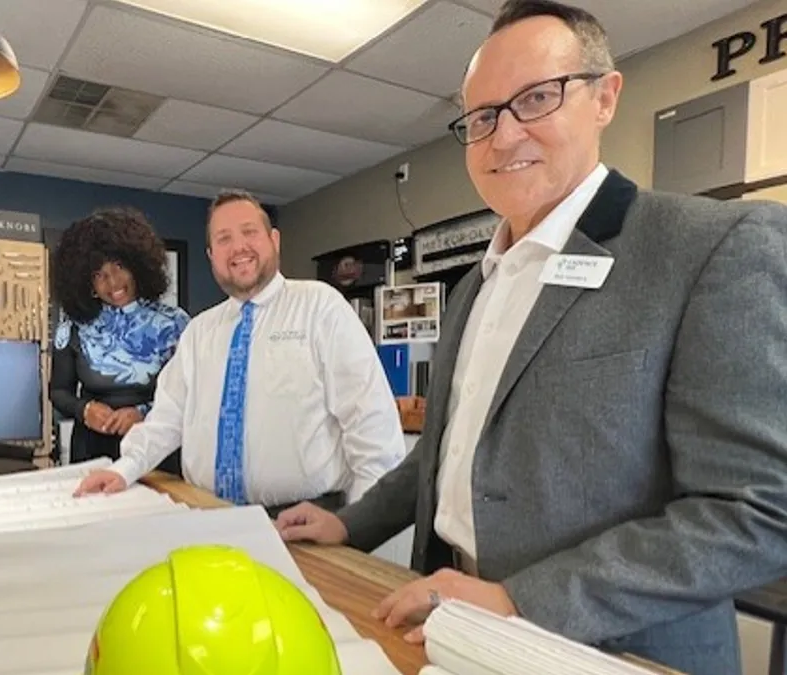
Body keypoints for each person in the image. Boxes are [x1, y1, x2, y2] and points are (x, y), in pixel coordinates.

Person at [274, 2, 787, 672]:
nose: (503, 136)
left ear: (605, 97)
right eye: (482, 117)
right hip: (453, 627)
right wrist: (353, 522)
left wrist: (519, 599)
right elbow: (444, 455)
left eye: (538, 98)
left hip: (617, 651)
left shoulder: (713, 247)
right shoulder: (474, 287)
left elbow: (757, 511)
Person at [76, 190, 407, 516]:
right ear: (211, 256)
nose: (238, 247)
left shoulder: (320, 307)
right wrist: (124, 469)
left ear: (274, 240)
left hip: (304, 522)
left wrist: (359, 526)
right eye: (223, 239)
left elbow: (371, 426)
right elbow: (166, 419)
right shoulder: (199, 332)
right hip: (209, 515)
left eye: (249, 232)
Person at [50, 207, 190, 474]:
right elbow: (58, 392)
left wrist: (143, 412)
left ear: (137, 266)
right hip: (91, 450)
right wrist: (84, 410)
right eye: (98, 274)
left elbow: (189, 393)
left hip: (155, 447)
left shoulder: (175, 324)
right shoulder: (73, 329)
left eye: (119, 266)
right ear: (85, 282)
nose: (112, 281)